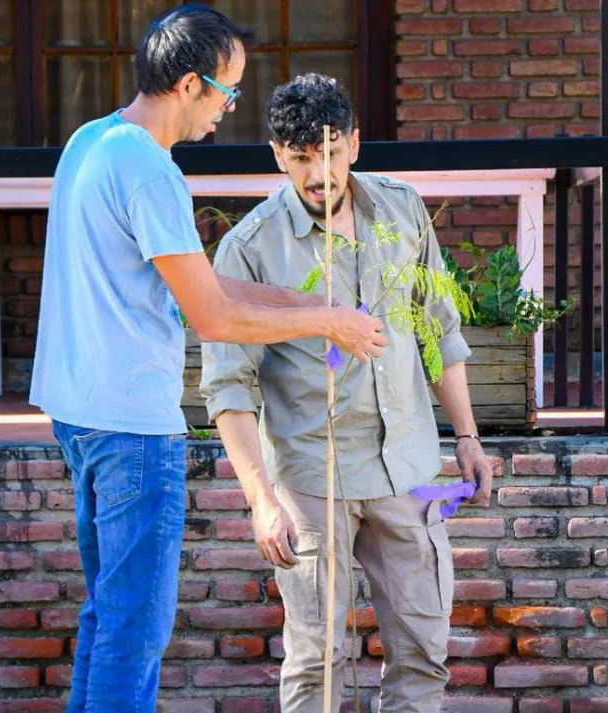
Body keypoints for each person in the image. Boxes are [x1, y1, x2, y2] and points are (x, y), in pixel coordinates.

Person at [28, 7, 388, 712]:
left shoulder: (92, 142)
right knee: (133, 629)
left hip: (80, 416)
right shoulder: (149, 170)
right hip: (132, 425)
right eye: (227, 92)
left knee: (108, 617)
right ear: (189, 83)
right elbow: (211, 316)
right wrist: (327, 322)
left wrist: (301, 302)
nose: (230, 110)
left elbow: (198, 276)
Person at [199, 73, 495, 713]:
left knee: (422, 652)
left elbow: (437, 326)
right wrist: (260, 500)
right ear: (279, 156)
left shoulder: (402, 211)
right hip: (311, 481)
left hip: (407, 471)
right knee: (317, 662)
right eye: (301, 158)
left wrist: (467, 438)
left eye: (330, 153)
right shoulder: (248, 250)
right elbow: (229, 385)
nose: (318, 173)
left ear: (355, 145)